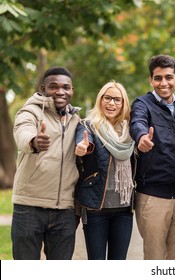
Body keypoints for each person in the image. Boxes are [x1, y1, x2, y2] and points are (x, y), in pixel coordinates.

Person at [130, 54, 175, 260]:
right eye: (158, 78)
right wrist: (141, 137)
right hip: (153, 197)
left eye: (169, 77)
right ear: (151, 80)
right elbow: (137, 122)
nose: (164, 83)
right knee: (155, 258)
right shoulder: (143, 104)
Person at [11, 66, 80, 260]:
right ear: (43, 89)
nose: (60, 91)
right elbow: (23, 131)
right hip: (29, 208)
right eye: (53, 86)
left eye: (66, 87)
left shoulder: (76, 120)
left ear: (72, 90)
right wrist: (33, 141)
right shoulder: (30, 112)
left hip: (64, 212)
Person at [74, 81, 135, 260]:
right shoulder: (88, 126)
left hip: (124, 208)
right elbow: (84, 141)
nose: (112, 103)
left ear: (123, 103)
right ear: (100, 100)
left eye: (117, 99)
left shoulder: (131, 131)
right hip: (95, 208)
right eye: (107, 98)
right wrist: (82, 147)